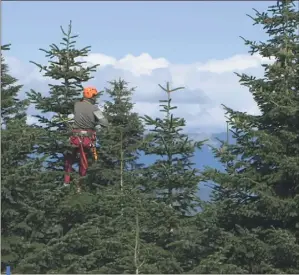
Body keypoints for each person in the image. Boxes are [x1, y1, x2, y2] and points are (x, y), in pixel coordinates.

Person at [64, 86, 108, 188]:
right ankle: (81, 186)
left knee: (68, 160)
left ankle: (66, 182)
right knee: (84, 162)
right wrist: (96, 125)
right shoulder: (94, 108)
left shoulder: (76, 105)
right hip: (87, 140)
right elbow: (104, 123)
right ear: (91, 96)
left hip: (74, 138)